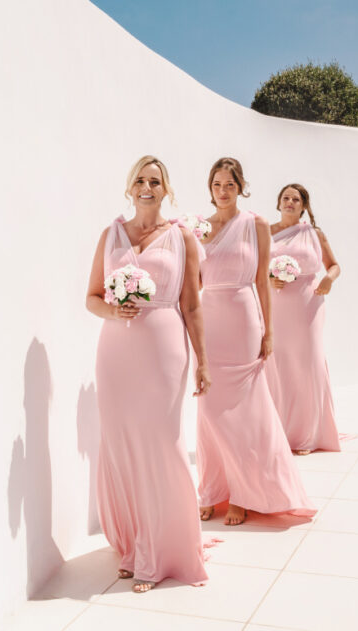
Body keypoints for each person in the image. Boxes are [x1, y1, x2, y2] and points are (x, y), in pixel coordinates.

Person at [86, 155, 211, 593]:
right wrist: (113, 309)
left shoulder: (183, 240)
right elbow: (91, 298)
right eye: (140, 179)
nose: (147, 186)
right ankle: (134, 545)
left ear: (166, 189)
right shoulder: (111, 235)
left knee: (162, 446)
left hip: (164, 350)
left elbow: (192, 306)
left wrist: (204, 361)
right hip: (116, 353)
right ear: (129, 186)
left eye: (155, 181)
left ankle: (162, 551)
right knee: (122, 447)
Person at [195, 157, 315, 526]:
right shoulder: (199, 228)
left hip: (244, 318)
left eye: (230, 184)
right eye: (217, 184)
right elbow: (194, 281)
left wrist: (269, 329)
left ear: (240, 186)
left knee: (246, 412)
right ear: (210, 187)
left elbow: (262, 280)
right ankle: (214, 490)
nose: (223, 191)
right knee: (209, 410)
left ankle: (244, 495)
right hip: (209, 319)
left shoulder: (255, 224)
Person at [266, 184, 342, 454]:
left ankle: (307, 435)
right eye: (285, 198)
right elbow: (252, 267)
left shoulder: (314, 234)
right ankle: (279, 433)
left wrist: (328, 280)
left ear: (303, 205)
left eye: (295, 199)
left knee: (308, 363)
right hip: (275, 306)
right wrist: (267, 277)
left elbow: (334, 265)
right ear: (278, 203)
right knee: (279, 364)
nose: (289, 202)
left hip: (308, 304)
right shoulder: (267, 232)